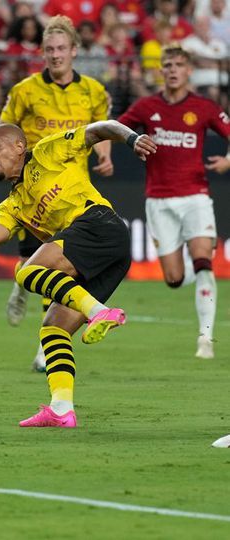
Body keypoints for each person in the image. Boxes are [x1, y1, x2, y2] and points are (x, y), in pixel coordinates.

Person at [0, 120, 156, 427]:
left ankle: (99, 312)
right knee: (53, 328)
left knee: (27, 273)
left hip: (99, 224)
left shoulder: (47, 151)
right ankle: (61, 409)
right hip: (103, 254)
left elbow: (100, 128)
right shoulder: (13, 204)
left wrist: (132, 138)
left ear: (19, 146)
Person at [0, 15, 112, 372]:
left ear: (75, 50)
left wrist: (105, 156)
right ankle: (21, 282)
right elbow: (4, 129)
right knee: (36, 271)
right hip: (36, 194)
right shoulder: (25, 91)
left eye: (61, 48)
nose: (55, 55)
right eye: (49, 49)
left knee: (64, 278)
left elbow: (100, 130)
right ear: (42, 52)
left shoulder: (93, 91)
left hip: (75, 196)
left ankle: (43, 349)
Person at [117, 46, 230, 359]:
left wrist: (228, 161)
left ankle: (205, 339)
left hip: (196, 196)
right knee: (174, 279)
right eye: (168, 65)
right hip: (159, 201)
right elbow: (118, 129)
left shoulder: (204, 107)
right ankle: (197, 259)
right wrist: (133, 144)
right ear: (161, 70)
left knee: (205, 264)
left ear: (188, 70)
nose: (173, 70)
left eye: (179, 65)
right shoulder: (146, 106)